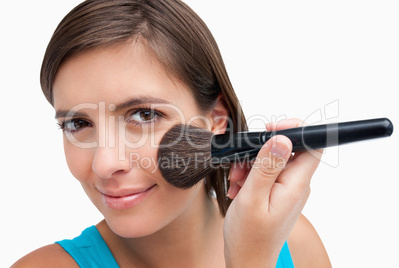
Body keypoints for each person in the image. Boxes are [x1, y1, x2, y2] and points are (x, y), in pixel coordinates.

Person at [12, 0, 331, 267]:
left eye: (144, 115)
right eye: (77, 123)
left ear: (216, 120)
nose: (104, 164)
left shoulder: (293, 244)